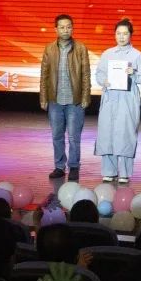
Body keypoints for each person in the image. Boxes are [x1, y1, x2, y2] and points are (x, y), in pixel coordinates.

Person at [40, 14, 91, 182]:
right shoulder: (49, 49)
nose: (65, 30)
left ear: (72, 28)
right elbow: (44, 75)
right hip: (55, 100)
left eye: (68, 27)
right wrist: (43, 98)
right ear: (56, 29)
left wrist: (85, 96)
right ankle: (59, 167)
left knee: (74, 137)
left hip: (75, 100)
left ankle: (74, 166)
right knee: (57, 135)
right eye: (62, 27)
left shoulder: (80, 48)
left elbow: (85, 75)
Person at [94, 18, 141, 184]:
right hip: (110, 97)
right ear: (114, 35)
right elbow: (99, 74)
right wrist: (104, 81)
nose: (121, 37)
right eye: (118, 33)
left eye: (125, 33)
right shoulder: (107, 54)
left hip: (127, 99)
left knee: (125, 133)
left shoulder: (137, 55)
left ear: (131, 35)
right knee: (107, 133)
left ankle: (124, 172)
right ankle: (109, 171)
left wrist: (134, 73)